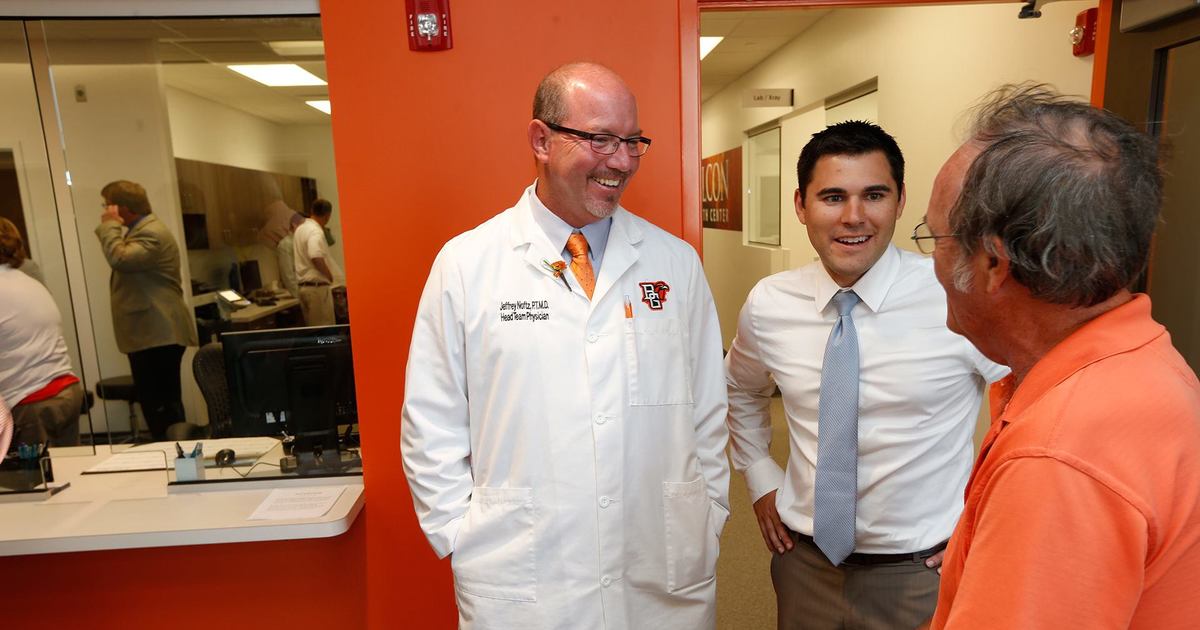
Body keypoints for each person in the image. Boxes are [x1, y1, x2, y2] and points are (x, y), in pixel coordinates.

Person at [401, 62, 730, 628]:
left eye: (632, 141)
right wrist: (458, 532)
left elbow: (708, 407)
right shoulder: (467, 264)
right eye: (601, 139)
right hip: (522, 570)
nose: (622, 161)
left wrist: (710, 510)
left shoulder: (675, 264)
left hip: (658, 560)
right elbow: (430, 420)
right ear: (541, 139)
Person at [924, 85, 1200, 628]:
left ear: (993, 263)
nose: (931, 260)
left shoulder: (1057, 457)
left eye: (935, 238)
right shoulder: (1147, 365)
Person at [725, 121, 1006, 629]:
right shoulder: (770, 303)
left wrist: (990, 519)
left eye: (874, 195)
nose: (854, 217)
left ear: (900, 202)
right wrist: (761, 475)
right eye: (833, 197)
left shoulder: (954, 293)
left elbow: (1033, 402)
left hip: (920, 573)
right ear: (800, 205)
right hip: (803, 565)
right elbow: (740, 390)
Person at [96, 180, 198, 442]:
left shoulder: (151, 233)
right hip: (153, 332)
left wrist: (109, 226)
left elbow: (119, 258)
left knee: (161, 405)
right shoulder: (142, 231)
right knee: (158, 402)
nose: (105, 211)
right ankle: (169, 448)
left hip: (157, 332)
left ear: (122, 208)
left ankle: (171, 450)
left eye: (107, 205)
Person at [0, 218, 84, 448]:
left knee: (35, 472)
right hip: (66, 392)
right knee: (68, 469)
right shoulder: (29, 282)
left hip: (32, 402)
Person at [293, 198, 342, 326]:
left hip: (304, 288)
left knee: (313, 331)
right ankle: (325, 341)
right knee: (324, 332)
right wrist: (329, 276)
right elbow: (315, 256)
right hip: (317, 290)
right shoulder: (315, 231)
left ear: (312, 211)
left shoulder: (300, 229)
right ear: (327, 216)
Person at [275, 212, 305, 297]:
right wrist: (299, 295)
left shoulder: (303, 241)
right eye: (304, 226)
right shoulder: (285, 244)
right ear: (294, 225)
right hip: (302, 292)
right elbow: (288, 275)